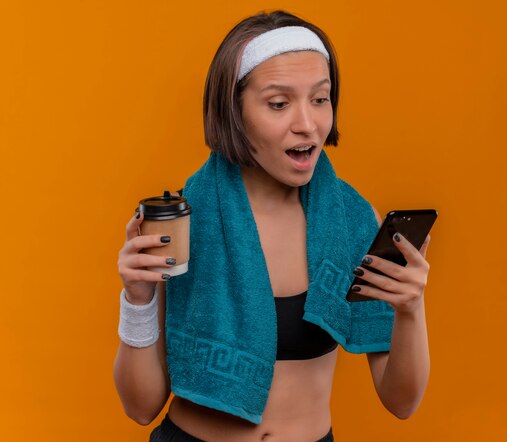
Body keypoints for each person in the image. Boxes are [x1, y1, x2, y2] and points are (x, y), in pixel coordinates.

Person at [114, 10, 431, 442]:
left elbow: (402, 402)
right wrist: (137, 300)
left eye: (320, 99)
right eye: (279, 104)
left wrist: (411, 309)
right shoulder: (187, 223)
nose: (308, 123)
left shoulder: (352, 221)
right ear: (235, 111)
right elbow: (140, 407)